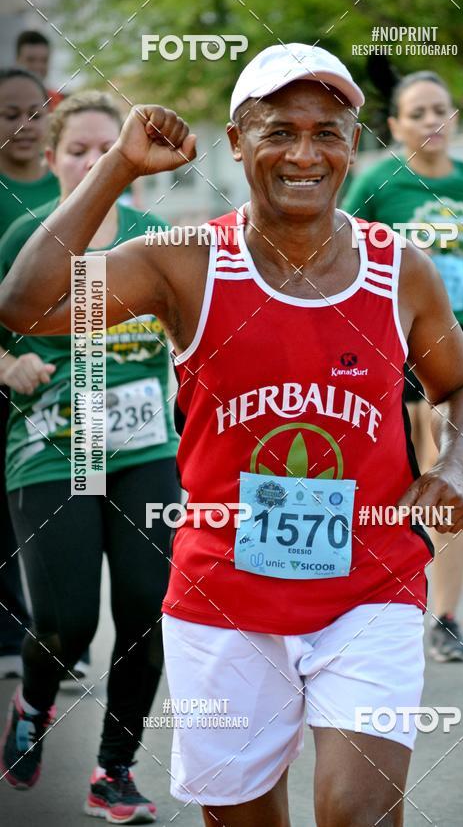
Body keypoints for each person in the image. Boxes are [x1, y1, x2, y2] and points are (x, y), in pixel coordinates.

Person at [0, 44, 463, 827]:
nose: (305, 153)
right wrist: (117, 171)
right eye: (278, 131)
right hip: (222, 597)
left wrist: (458, 466)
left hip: (371, 588)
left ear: (353, 144)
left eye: (327, 132)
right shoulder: (186, 264)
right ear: (236, 140)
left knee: (359, 815)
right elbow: (25, 306)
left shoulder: (401, 269)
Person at [0, 90, 179, 822]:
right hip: (53, 450)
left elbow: (198, 324)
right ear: (52, 158)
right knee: (66, 622)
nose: (94, 161)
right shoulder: (24, 234)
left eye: (109, 148)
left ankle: (115, 769)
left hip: (144, 450)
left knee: (148, 607)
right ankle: (33, 701)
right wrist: (5, 366)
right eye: (79, 150)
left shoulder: (155, 237)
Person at [343, 71, 463, 663]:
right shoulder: (379, 182)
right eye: (418, 112)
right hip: (387, 344)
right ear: (396, 126)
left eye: (441, 110)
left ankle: (445, 617)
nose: (432, 121)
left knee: (449, 475)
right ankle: (373, 606)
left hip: (458, 342)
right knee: (392, 479)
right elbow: (336, 240)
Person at [0, 68, 59, 679]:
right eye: (7, 113)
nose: (22, 125)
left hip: (64, 388)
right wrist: (7, 362)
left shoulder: (72, 190)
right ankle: (7, 633)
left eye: (34, 112)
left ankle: (59, 631)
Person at [15, 31, 65, 110]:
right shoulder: (4, 98)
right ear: (17, 61)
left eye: (44, 60)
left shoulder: (58, 101)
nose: (38, 66)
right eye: (31, 60)